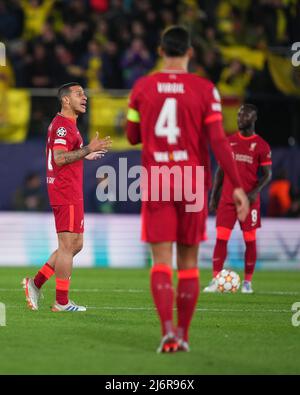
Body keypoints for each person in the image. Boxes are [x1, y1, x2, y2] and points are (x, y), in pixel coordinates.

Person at [126, 26, 249, 353]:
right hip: (192, 180)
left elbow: (132, 135)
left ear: (160, 50)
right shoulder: (206, 89)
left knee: (161, 261)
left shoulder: (142, 87)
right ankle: (183, 334)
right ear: (190, 53)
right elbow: (218, 141)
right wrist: (236, 185)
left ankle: (166, 331)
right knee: (190, 263)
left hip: (157, 179)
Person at [22, 82, 112, 312]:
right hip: (65, 190)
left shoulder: (66, 125)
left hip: (68, 189)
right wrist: (88, 149)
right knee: (67, 245)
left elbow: (57, 155)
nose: (85, 98)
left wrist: (84, 155)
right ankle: (61, 302)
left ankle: (36, 283)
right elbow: (60, 157)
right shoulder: (63, 127)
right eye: (78, 94)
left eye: (84, 94)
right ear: (65, 100)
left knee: (75, 244)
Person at [204, 104, 272, 294]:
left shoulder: (262, 145)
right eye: (239, 114)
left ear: (254, 118)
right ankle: (216, 279)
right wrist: (214, 195)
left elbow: (267, 174)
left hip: (249, 201)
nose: (240, 117)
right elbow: (221, 170)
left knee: (250, 240)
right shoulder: (229, 141)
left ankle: (247, 282)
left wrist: (254, 192)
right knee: (221, 239)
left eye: (245, 114)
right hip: (227, 198)